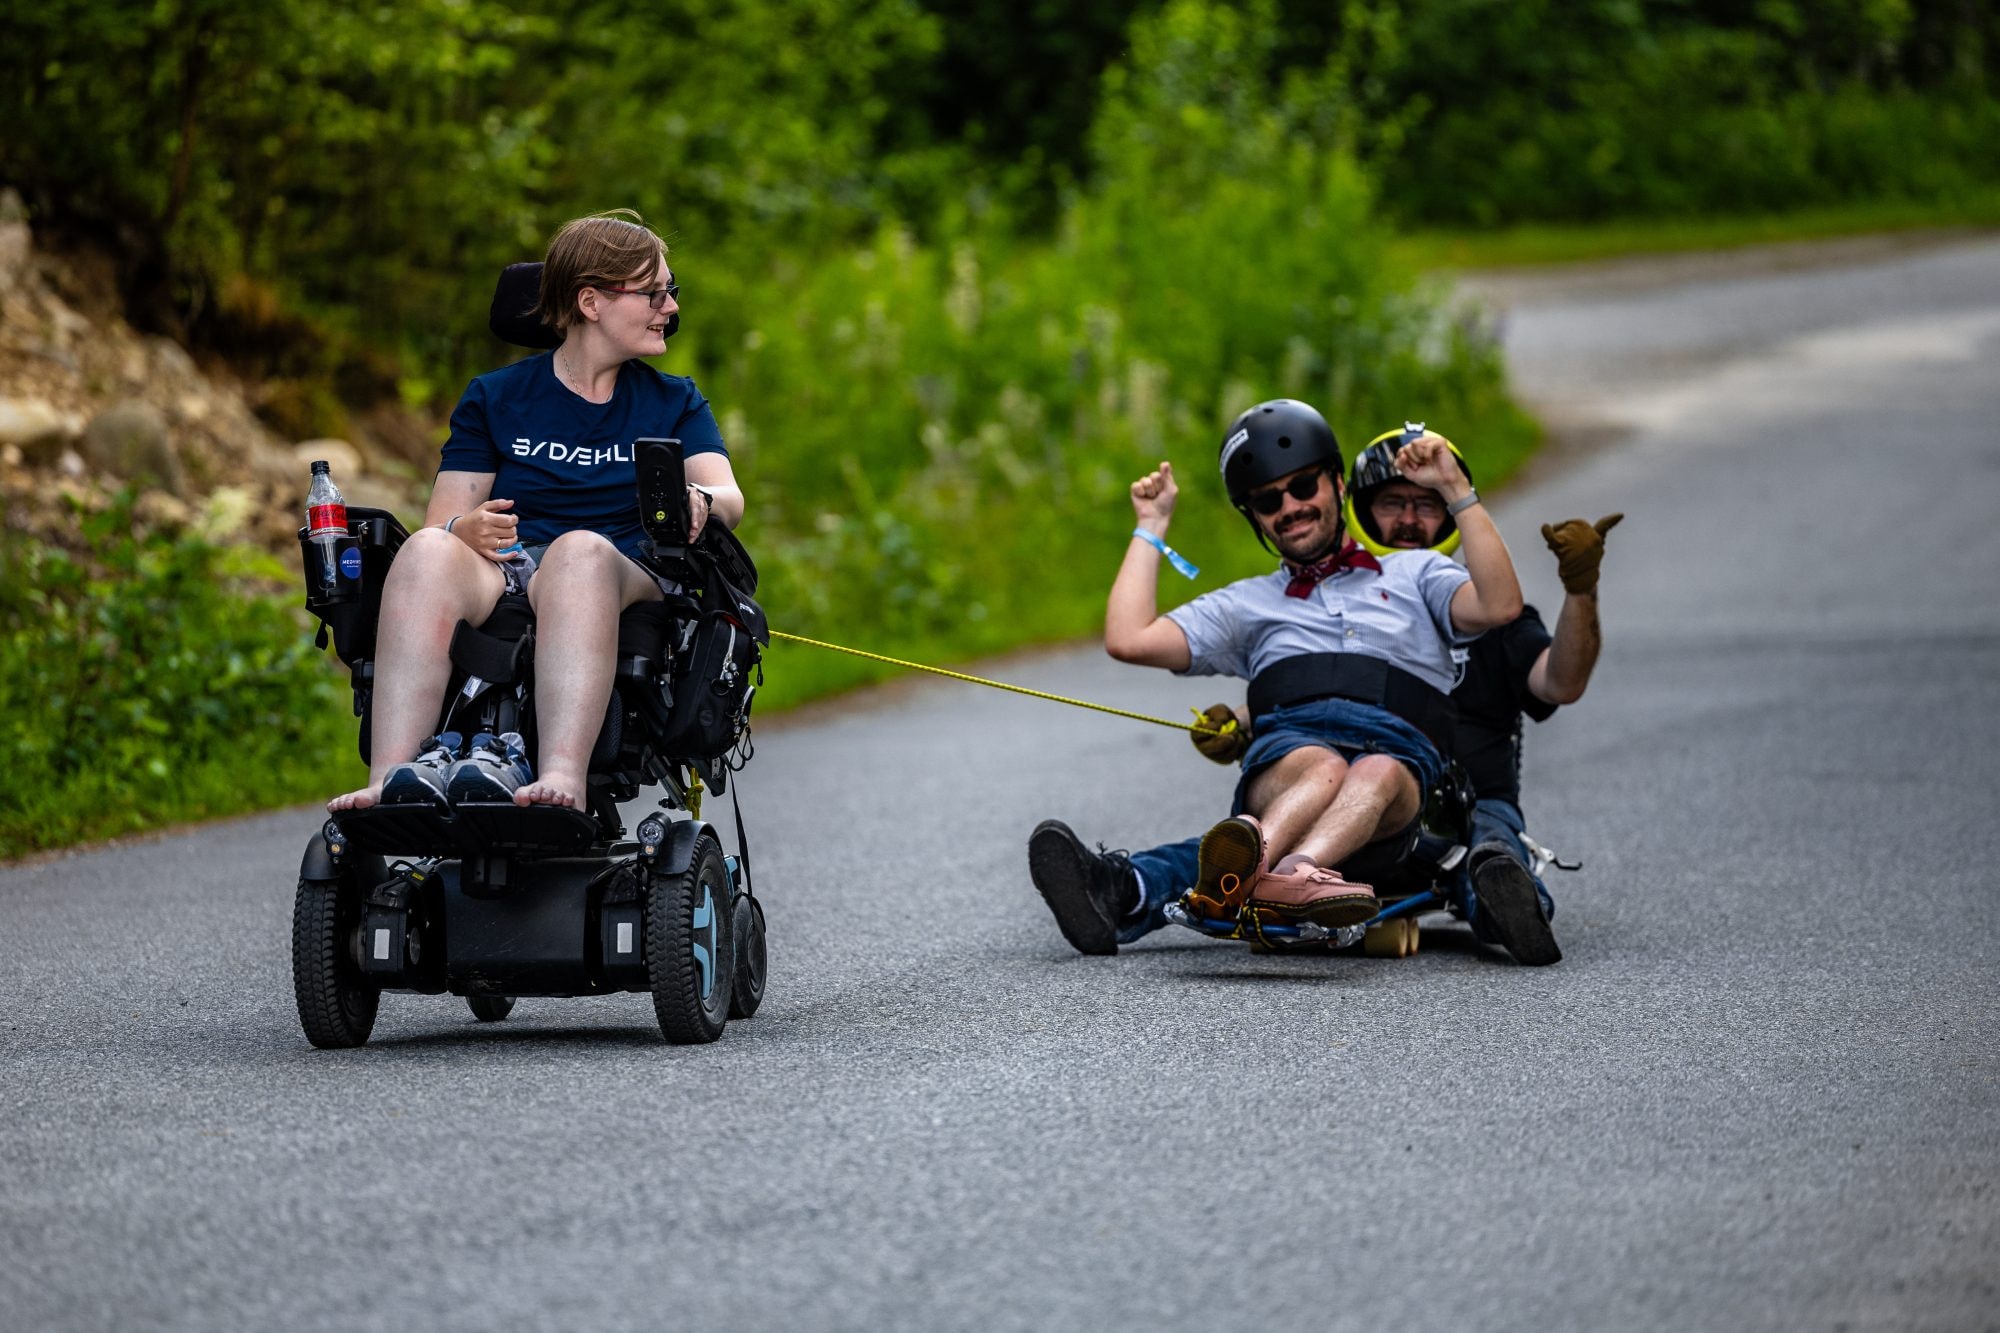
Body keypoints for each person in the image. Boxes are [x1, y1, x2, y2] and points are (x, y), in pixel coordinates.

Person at [1028, 399, 1521, 948]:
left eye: (1303, 486)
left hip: (1399, 787)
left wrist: (1457, 491)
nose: (1290, 506)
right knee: (1324, 765)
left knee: (1378, 769)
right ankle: (1283, 878)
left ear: (1337, 484)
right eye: (1268, 500)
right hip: (1293, 758)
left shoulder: (1417, 571)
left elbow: (1500, 606)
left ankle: (1257, 875)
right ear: (1255, 517)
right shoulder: (1249, 604)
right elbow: (1128, 638)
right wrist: (1150, 528)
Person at [328, 210, 743, 814]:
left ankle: (561, 776)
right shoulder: (496, 397)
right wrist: (460, 529)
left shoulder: (673, 400)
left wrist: (700, 500)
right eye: (655, 294)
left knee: (578, 551)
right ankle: (392, 778)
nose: (671, 308)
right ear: (592, 302)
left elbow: (729, 497)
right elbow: (441, 522)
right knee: (423, 551)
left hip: (620, 565)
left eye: (670, 293)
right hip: (509, 564)